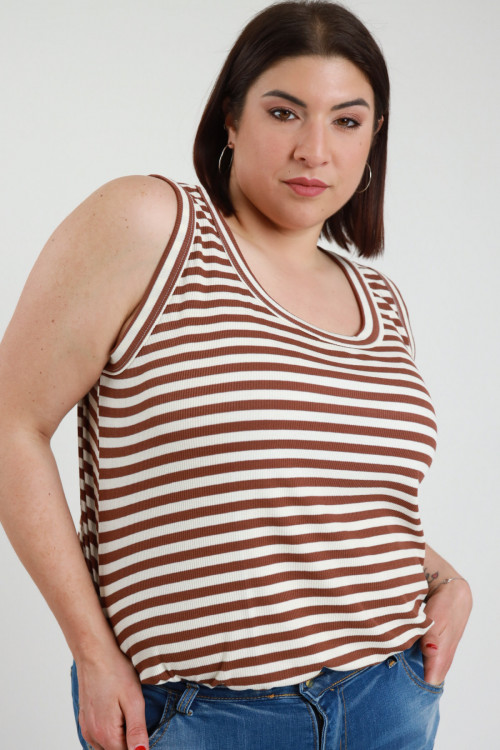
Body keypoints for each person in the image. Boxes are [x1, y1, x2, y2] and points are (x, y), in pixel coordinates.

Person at [0, 1, 472, 748]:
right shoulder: (155, 227)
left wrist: (445, 579)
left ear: (374, 137)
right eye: (285, 113)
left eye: (347, 121)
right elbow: (12, 424)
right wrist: (91, 651)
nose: (314, 150)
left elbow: (326, 496)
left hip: (390, 698)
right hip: (204, 715)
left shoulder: (378, 299)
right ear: (229, 118)